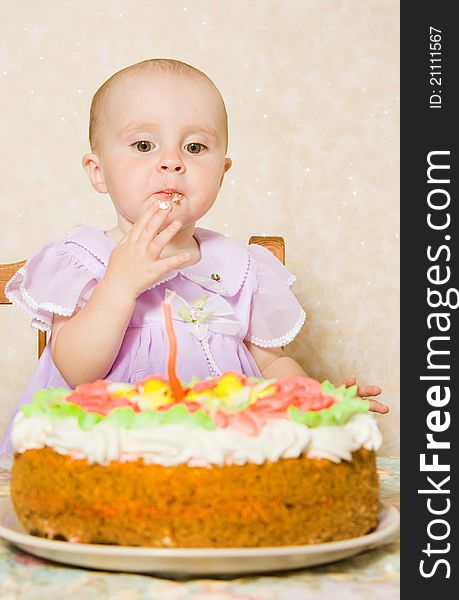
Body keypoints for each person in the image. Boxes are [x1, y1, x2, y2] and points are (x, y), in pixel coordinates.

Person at [0, 59, 387, 453]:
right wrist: (118, 286)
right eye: (144, 145)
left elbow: (271, 366)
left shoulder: (241, 269)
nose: (172, 161)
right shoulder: (82, 260)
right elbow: (76, 370)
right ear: (97, 172)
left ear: (222, 170)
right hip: (105, 459)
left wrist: (316, 403)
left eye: (195, 147)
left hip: (219, 459)